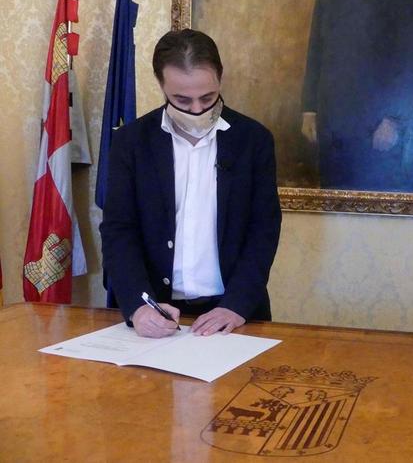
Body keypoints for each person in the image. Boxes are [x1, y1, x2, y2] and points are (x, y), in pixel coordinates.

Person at [101, 29, 281, 338]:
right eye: (181, 99)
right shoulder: (131, 142)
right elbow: (119, 229)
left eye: (207, 98)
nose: (197, 110)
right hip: (156, 313)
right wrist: (139, 305)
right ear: (161, 85)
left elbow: (263, 228)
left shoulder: (254, 140)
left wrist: (236, 305)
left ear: (219, 79)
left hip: (233, 314)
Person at [301, 0, 413, 190]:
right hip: (331, 116)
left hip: (378, 123)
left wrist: (394, 119)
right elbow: (317, 41)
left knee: (373, 212)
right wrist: (309, 107)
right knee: (332, 209)